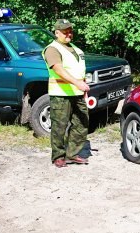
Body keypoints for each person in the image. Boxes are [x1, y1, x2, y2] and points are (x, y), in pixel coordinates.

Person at [42, 19, 90, 168]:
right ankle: (58, 156)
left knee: (82, 123)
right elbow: (58, 70)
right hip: (61, 94)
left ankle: (72, 154)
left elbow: (78, 71)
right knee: (59, 127)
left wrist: (83, 90)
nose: (68, 33)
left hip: (77, 93)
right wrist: (77, 83)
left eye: (70, 30)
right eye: (65, 31)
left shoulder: (75, 48)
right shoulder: (52, 49)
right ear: (57, 33)